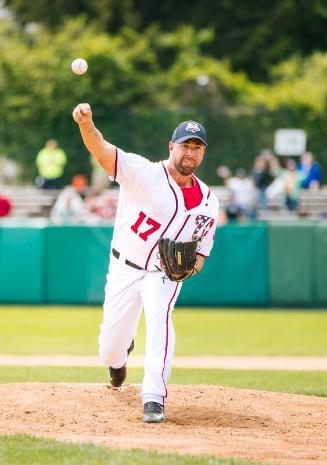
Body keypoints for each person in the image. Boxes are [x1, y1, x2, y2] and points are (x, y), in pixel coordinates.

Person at [72, 103, 218, 423]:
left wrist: (187, 270)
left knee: (161, 321)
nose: (190, 153)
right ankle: (120, 356)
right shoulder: (142, 172)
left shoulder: (208, 201)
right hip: (125, 267)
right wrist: (86, 124)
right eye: (185, 146)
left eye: (197, 148)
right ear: (171, 147)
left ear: (203, 154)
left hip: (163, 275)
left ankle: (154, 397)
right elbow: (102, 149)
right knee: (108, 348)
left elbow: (202, 254)